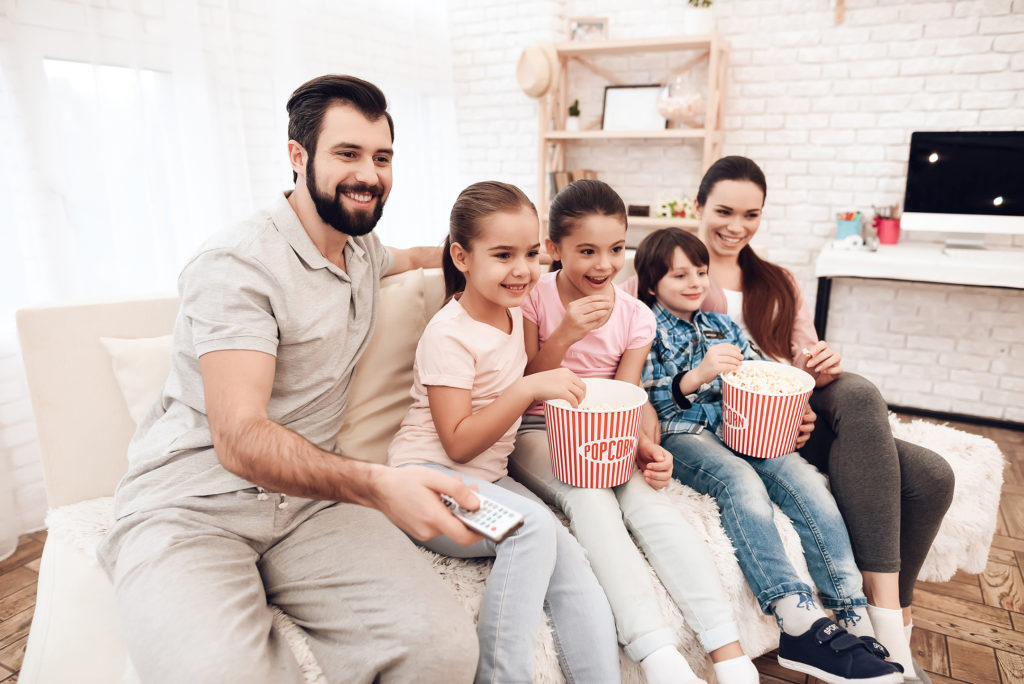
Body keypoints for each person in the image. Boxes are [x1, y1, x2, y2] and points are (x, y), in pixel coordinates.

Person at [97, 75, 482, 684]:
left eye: (382, 157)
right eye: (348, 154)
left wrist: (501, 259)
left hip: (311, 506)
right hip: (193, 505)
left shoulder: (359, 250)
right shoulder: (238, 264)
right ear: (298, 157)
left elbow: (406, 257)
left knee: (442, 651)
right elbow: (241, 437)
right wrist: (379, 485)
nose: (370, 174)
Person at [695, 155, 954, 682]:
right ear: (697, 206)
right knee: (912, 462)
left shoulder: (778, 280)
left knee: (927, 470)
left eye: (752, 215)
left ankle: (892, 619)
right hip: (734, 426)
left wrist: (821, 364)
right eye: (723, 211)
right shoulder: (667, 273)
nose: (736, 227)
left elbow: (802, 356)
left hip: (793, 415)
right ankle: (892, 637)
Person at [509, 179, 760, 684]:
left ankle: (727, 648)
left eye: (616, 249)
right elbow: (526, 386)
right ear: (554, 249)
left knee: (650, 504)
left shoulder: (636, 317)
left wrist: (644, 447)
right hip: (539, 429)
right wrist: (567, 334)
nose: (604, 265)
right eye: (586, 251)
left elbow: (627, 398)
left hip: (606, 430)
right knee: (592, 501)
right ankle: (656, 652)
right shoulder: (533, 299)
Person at [636, 227, 904, 684]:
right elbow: (646, 398)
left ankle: (851, 612)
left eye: (700, 272)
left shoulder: (722, 324)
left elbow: (763, 370)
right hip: (684, 434)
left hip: (740, 425)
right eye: (679, 275)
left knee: (806, 481)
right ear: (650, 285)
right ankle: (793, 613)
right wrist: (696, 376)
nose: (695, 282)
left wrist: (797, 385)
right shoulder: (645, 327)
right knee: (741, 482)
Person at [387, 180, 620, 683]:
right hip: (428, 481)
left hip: (484, 480)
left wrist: (565, 337)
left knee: (570, 555)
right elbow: (458, 441)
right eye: (503, 254)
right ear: (462, 257)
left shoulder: (513, 313)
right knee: (532, 528)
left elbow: (527, 374)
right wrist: (527, 389)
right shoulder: (448, 334)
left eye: (532, 253)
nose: (522, 269)